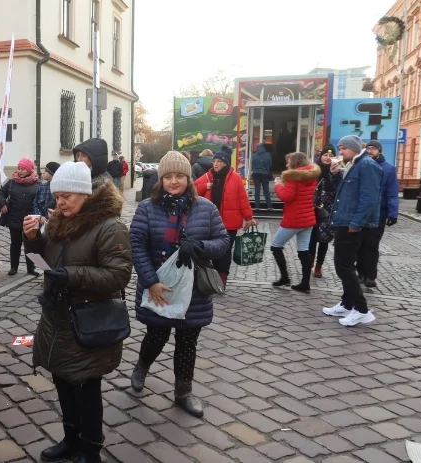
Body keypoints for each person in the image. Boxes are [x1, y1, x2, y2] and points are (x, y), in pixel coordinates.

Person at [23, 162, 132, 463]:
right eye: (57, 195)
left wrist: (71, 275)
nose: (60, 202)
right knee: (63, 383)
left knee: (86, 388)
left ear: (85, 194)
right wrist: (32, 239)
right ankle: (70, 440)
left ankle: (90, 449)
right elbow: (44, 261)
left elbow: (118, 275)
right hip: (58, 319)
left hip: (89, 324)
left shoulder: (110, 227)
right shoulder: (58, 222)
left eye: (67, 195)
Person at [130, 151, 230, 419]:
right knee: (156, 335)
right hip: (159, 287)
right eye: (168, 177)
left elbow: (223, 242)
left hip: (193, 292)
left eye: (180, 176)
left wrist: (199, 246)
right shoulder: (147, 209)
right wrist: (151, 282)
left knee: (187, 342)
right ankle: (141, 367)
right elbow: (137, 246)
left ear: (189, 178)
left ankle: (183, 392)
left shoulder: (205, 208)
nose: (174, 182)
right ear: (160, 180)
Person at [322, 135, 382, 326]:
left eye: (343, 148)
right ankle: (347, 303)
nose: (340, 152)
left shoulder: (366, 165)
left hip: (353, 224)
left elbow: (369, 198)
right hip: (345, 220)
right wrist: (335, 173)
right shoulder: (353, 165)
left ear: (354, 148)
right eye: (340, 148)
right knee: (343, 265)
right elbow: (343, 192)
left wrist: (356, 223)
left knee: (344, 266)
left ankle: (362, 309)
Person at [195, 149, 256, 284]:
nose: (216, 164)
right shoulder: (208, 176)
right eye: (214, 161)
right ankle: (215, 275)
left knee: (225, 250)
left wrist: (249, 217)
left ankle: (223, 276)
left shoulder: (235, 178)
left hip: (230, 222)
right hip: (211, 221)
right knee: (214, 250)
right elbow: (193, 190)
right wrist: (206, 186)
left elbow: (242, 199)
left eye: (219, 161)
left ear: (226, 163)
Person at [271, 152, 320, 293]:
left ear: (295, 163)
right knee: (304, 250)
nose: (287, 164)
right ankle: (305, 283)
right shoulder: (311, 176)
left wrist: (278, 185)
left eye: (288, 162)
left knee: (276, 247)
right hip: (308, 218)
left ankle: (285, 278)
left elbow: (287, 197)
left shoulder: (293, 177)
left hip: (294, 218)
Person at [356, 140, 399, 288]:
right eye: (368, 148)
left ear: (379, 151)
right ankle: (360, 272)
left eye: (373, 148)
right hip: (361, 212)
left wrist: (393, 213)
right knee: (359, 244)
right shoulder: (361, 165)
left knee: (372, 245)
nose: (370, 150)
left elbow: (392, 192)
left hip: (379, 212)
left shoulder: (388, 169)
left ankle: (370, 276)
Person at [0, 158, 41, 276]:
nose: (20, 171)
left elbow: (41, 200)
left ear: (30, 170)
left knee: (31, 244)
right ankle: (13, 267)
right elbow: (1, 192)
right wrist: (2, 204)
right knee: (15, 243)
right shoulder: (12, 182)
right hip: (15, 217)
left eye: (23, 169)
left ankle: (31, 268)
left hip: (31, 219)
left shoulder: (38, 184)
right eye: (19, 168)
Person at [309, 145, 337, 279]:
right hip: (312, 208)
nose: (328, 158)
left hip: (328, 210)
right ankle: (309, 263)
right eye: (326, 155)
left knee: (324, 239)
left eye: (331, 156)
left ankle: (319, 266)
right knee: (312, 238)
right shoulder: (314, 170)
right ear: (321, 157)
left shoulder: (337, 172)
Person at [251, 143, 273, 209]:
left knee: (257, 190)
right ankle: (269, 206)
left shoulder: (254, 155)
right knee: (266, 190)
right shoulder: (268, 155)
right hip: (264, 174)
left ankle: (257, 206)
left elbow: (253, 164)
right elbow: (270, 164)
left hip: (256, 174)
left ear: (257, 148)